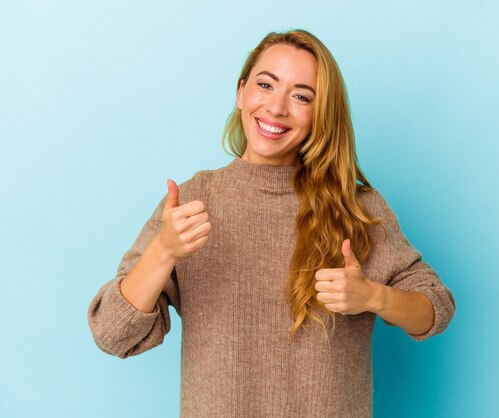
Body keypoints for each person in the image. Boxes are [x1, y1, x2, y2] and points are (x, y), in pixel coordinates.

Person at [87, 29, 456, 417]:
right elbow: (113, 334)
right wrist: (162, 252)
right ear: (241, 92)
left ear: (320, 115)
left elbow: (436, 308)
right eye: (266, 85)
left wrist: (373, 297)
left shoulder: (354, 207)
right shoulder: (193, 202)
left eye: (301, 96)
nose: (277, 107)